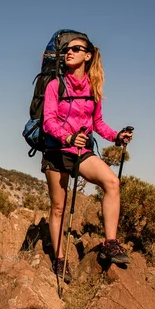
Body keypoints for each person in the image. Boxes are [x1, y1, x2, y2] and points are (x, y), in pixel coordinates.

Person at [42, 32, 133, 284]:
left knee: (112, 183)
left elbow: (98, 123)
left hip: (82, 152)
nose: (69, 52)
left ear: (88, 55)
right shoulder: (55, 85)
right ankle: (59, 258)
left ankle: (110, 243)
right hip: (56, 151)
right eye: (67, 50)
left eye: (76, 49)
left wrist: (116, 137)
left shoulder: (93, 89)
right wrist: (68, 137)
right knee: (58, 207)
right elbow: (48, 121)